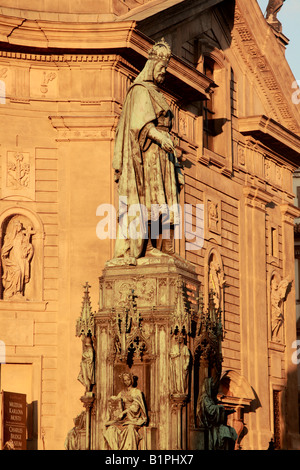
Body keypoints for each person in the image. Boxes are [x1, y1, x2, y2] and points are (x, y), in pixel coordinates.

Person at [112, 38, 184, 262]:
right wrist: (160, 138)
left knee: (163, 201)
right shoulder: (141, 90)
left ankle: (164, 245)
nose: (164, 73)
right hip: (150, 153)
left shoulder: (156, 92)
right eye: (162, 68)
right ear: (152, 66)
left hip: (163, 155)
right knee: (151, 199)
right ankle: (148, 246)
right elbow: (140, 123)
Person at [104, 373, 148, 450]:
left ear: (132, 380)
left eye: (128, 380)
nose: (126, 382)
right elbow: (116, 405)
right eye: (125, 380)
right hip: (123, 419)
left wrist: (123, 412)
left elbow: (135, 407)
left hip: (134, 419)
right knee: (111, 430)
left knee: (130, 429)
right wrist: (112, 401)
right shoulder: (121, 393)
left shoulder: (136, 392)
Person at [1, 219, 34, 299]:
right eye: (17, 225)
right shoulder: (9, 236)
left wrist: (27, 254)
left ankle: (18, 292)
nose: (19, 227)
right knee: (16, 271)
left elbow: (27, 245)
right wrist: (4, 255)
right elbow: (5, 248)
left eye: (20, 225)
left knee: (21, 274)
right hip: (13, 258)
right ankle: (10, 291)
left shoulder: (22, 236)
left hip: (21, 258)